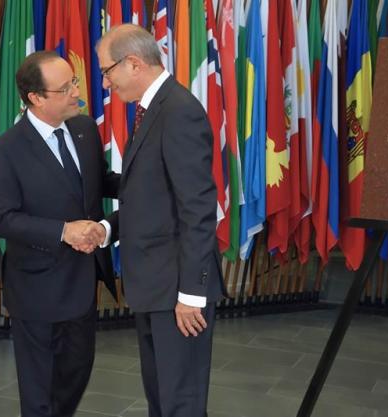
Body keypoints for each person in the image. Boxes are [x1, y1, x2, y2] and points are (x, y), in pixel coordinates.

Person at [92, 24, 226, 417]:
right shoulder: (153, 109)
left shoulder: (178, 111)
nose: (105, 82)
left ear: (133, 63)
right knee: (162, 400)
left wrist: (191, 294)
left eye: (107, 70)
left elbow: (198, 209)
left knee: (180, 403)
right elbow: (150, 196)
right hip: (154, 286)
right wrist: (107, 229)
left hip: (177, 292)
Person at [0, 51, 118, 417]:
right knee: (39, 390)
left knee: (76, 372)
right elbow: (1, 220)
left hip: (83, 281)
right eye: (66, 87)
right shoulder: (5, 152)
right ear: (36, 98)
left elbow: (99, 181)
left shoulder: (85, 129)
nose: (78, 91)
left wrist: (148, 182)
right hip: (36, 288)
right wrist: (62, 231)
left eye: (74, 81)